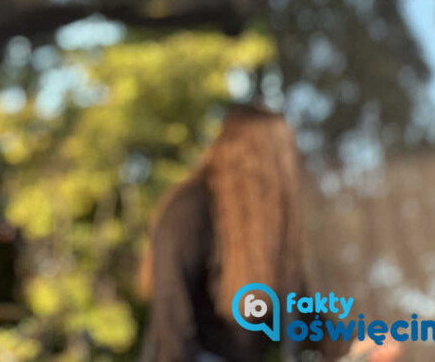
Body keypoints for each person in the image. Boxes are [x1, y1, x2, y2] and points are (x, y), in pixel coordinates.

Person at [137, 105, 402, 362]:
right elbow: (170, 310)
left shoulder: (260, 231)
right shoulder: (191, 206)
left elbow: (299, 309)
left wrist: (354, 343)